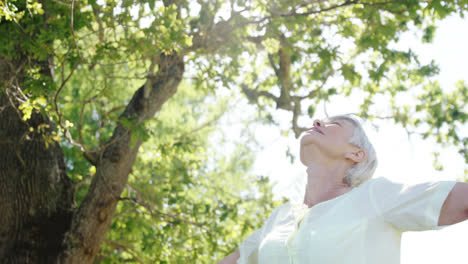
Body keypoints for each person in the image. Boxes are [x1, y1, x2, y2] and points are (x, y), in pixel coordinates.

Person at [218, 114, 468, 264]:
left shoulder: (375, 196)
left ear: (357, 154)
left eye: (334, 123)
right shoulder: (279, 218)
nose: (316, 121)